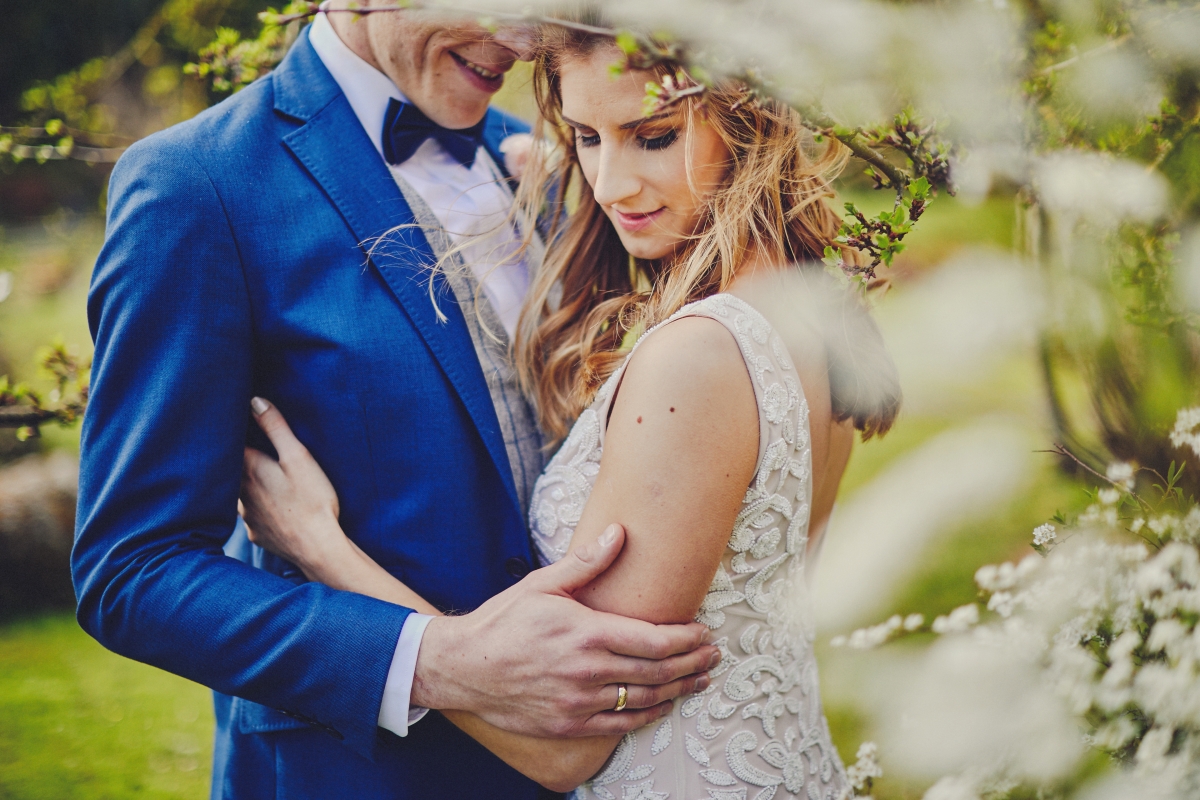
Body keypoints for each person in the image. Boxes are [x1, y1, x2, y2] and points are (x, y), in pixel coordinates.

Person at [70, 4, 722, 799]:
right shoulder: (196, 184)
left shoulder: (558, 162)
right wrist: (435, 661)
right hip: (358, 776)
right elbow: (133, 572)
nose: (525, 42)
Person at [238, 22, 901, 799]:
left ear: (750, 115)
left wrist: (322, 549)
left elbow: (561, 750)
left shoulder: (697, 357)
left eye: (652, 137)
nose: (610, 183)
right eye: (587, 136)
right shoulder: (814, 313)